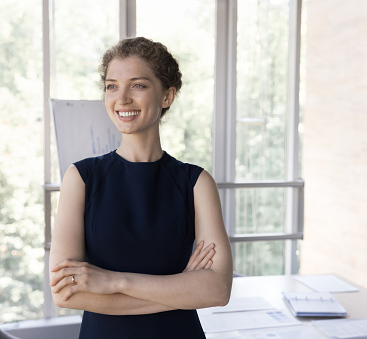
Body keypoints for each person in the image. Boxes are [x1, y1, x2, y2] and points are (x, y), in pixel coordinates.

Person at [48, 37, 233, 338]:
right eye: (111, 86)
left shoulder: (197, 183)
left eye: (138, 85)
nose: (121, 99)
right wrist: (181, 288)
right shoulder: (81, 178)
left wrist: (114, 282)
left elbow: (217, 289)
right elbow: (65, 293)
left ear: (167, 96)